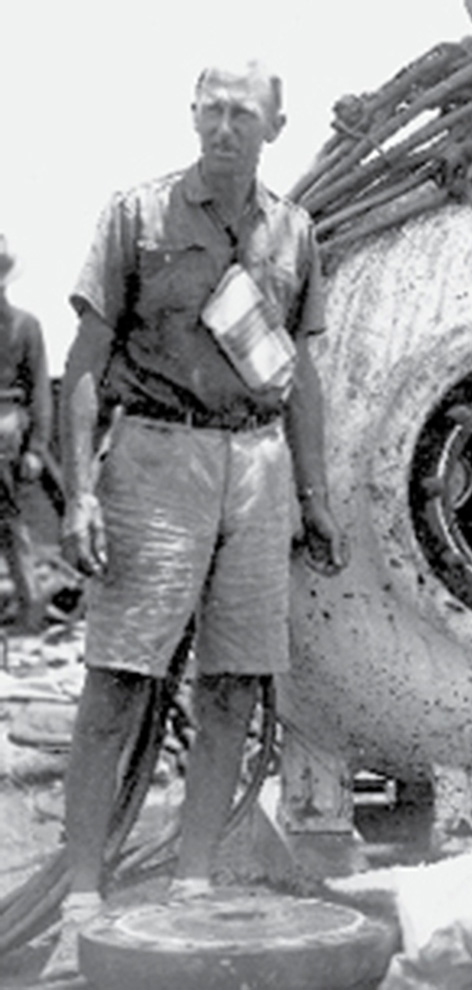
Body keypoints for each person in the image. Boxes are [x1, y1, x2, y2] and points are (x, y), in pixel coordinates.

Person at [44, 60, 348, 979]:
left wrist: (314, 493)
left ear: (275, 128)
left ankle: (193, 887)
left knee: (236, 682)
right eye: (210, 110)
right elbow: (87, 361)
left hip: (254, 462)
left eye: (242, 114)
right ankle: (82, 902)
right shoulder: (135, 217)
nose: (222, 128)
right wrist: (82, 493)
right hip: (156, 457)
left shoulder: (294, 233)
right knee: (120, 682)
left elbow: (301, 376)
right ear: (192, 117)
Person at [0, 235, 52, 632]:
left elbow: (39, 393)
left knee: (9, 520)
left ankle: (31, 603)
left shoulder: (24, 326)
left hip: (7, 427)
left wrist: (36, 447)